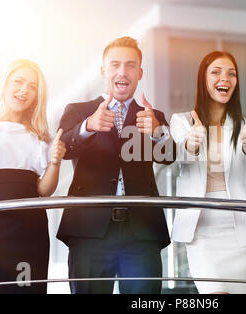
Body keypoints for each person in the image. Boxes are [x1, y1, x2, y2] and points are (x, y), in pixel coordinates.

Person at [56, 36, 175, 294]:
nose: (123, 72)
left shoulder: (152, 116)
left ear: (140, 72)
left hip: (141, 234)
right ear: (103, 70)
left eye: (130, 65)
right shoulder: (78, 110)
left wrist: (157, 131)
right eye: (115, 65)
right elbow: (62, 147)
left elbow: (169, 156)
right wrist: (87, 127)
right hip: (89, 232)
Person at [0, 59, 66, 294]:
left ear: (38, 95)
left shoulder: (40, 135)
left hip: (29, 233)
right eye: (18, 81)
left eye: (32, 86)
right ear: (4, 84)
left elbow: (44, 190)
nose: (24, 90)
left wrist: (55, 163)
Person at [170, 51, 246, 294]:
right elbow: (179, 155)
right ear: (203, 79)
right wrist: (192, 143)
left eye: (231, 73)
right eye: (215, 72)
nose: (224, 77)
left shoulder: (244, 124)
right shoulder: (182, 121)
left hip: (245, 230)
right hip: (202, 231)